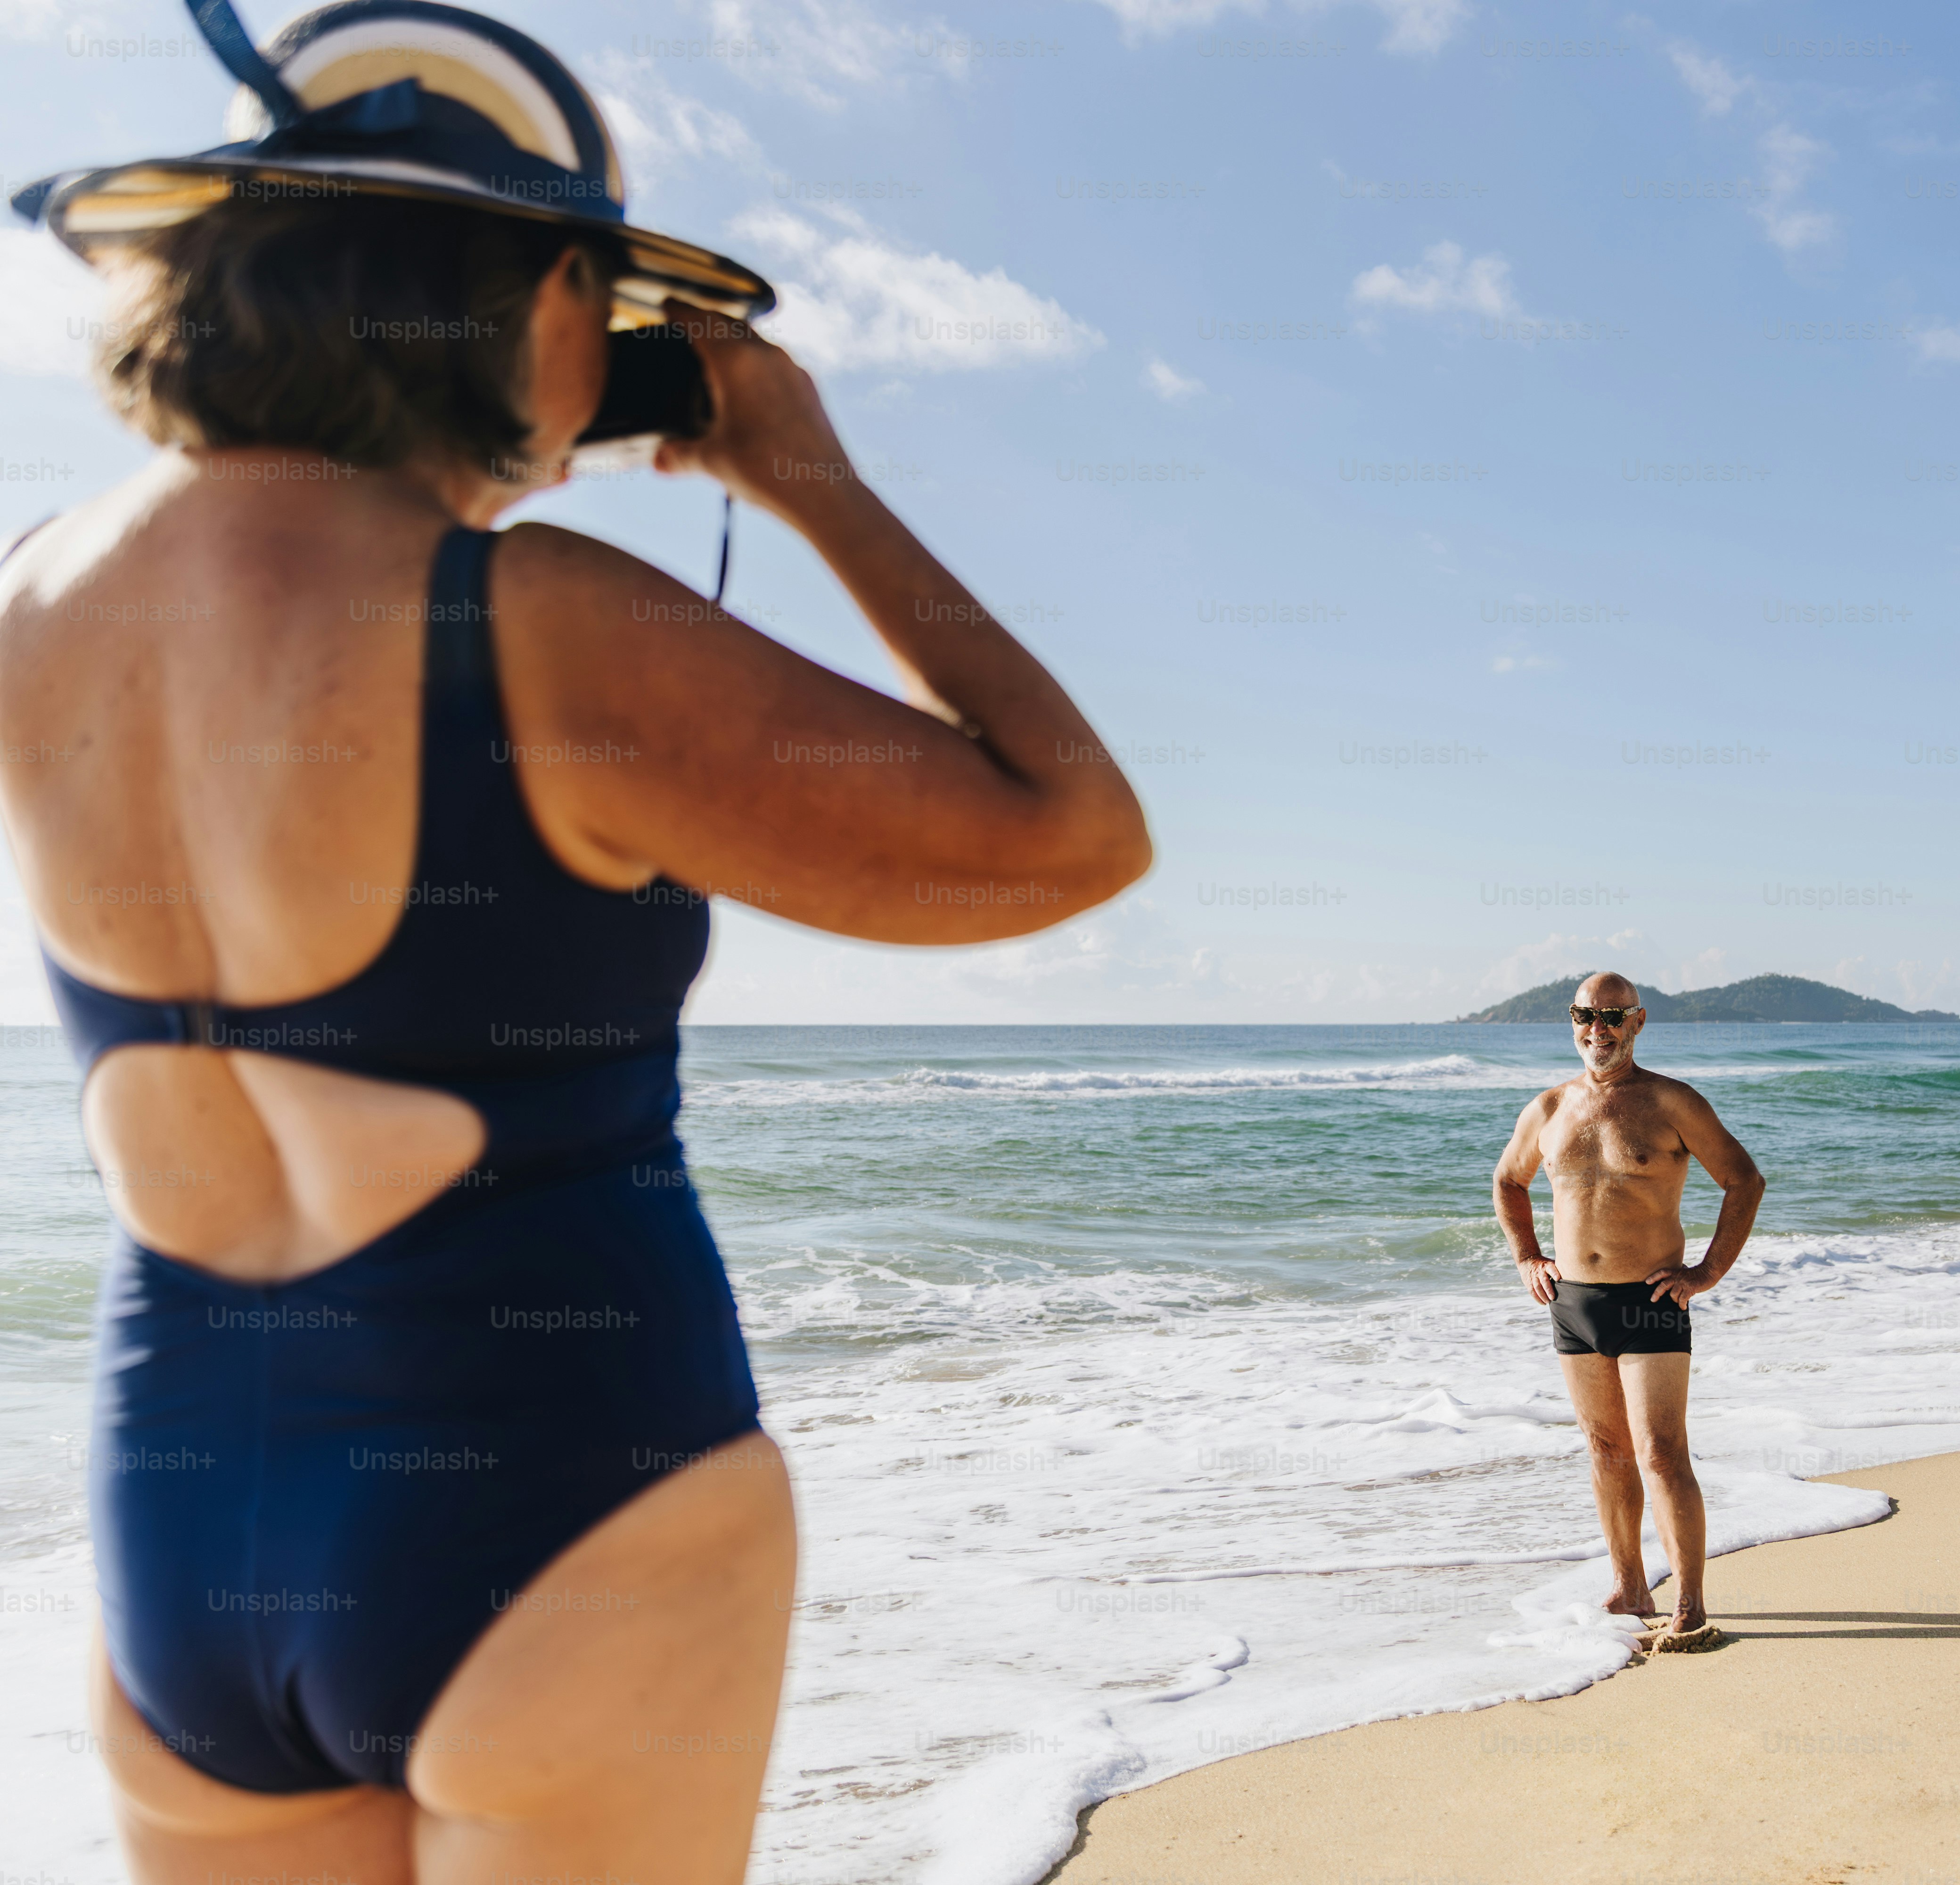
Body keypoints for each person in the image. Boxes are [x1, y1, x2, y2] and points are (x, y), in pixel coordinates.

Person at [0, 3, 1149, 1878]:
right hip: (551, 1488)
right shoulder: (530, 619)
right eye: (596, 302)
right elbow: (1066, 835)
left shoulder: (34, 591)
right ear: (527, 289)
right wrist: (812, 484)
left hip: (184, 1510)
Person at [1492, 971, 1765, 1652]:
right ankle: (1630, 1586)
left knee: (1661, 1453)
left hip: (1650, 1301)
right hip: (1574, 1304)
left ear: (1638, 1022)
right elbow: (1508, 1180)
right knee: (1607, 1451)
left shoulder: (1672, 1101)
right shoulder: (1550, 1108)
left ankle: (1693, 1606)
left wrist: (1707, 1271)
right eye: (1586, 1015)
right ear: (1573, 1019)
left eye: (1613, 1016)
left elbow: (1743, 1179)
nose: (1598, 1029)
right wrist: (1528, 1255)